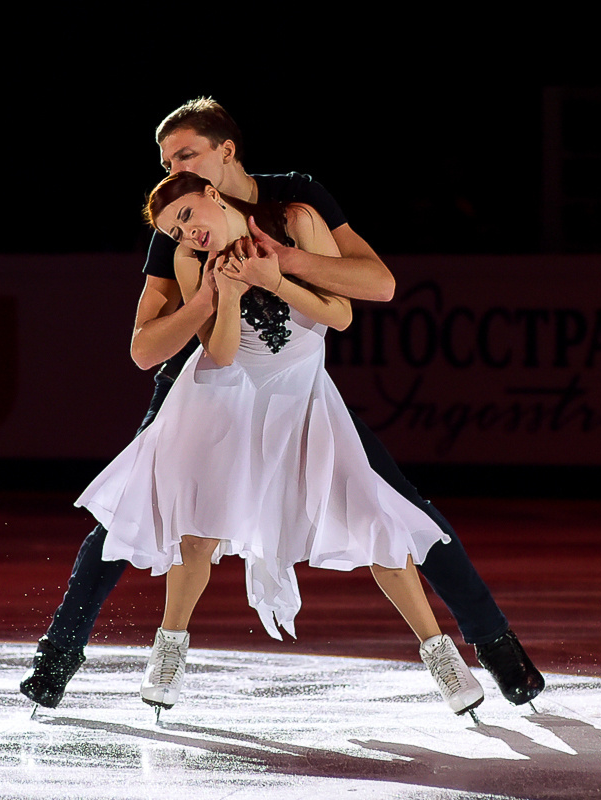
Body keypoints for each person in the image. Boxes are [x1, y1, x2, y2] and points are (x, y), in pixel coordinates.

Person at [19, 97, 543, 710]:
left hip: (297, 384)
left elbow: (376, 285)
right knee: (139, 512)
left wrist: (280, 267)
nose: (174, 172)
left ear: (226, 151)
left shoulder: (295, 200)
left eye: (186, 155)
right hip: (211, 382)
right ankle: (59, 656)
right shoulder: (180, 227)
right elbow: (154, 343)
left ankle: (493, 647)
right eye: (166, 162)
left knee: (393, 508)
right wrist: (216, 296)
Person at [75, 170, 485, 718]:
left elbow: (339, 316)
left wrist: (274, 280)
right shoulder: (192, 264)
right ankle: (168, 650)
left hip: (303, 396)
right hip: (224, 397)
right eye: (175, 230)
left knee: (375, 522)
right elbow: (219, 355)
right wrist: (226, 294)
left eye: (188, 215)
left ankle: (442, 658)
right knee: (198, 533)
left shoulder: (296, 221)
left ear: (213, 195)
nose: (186, 233)